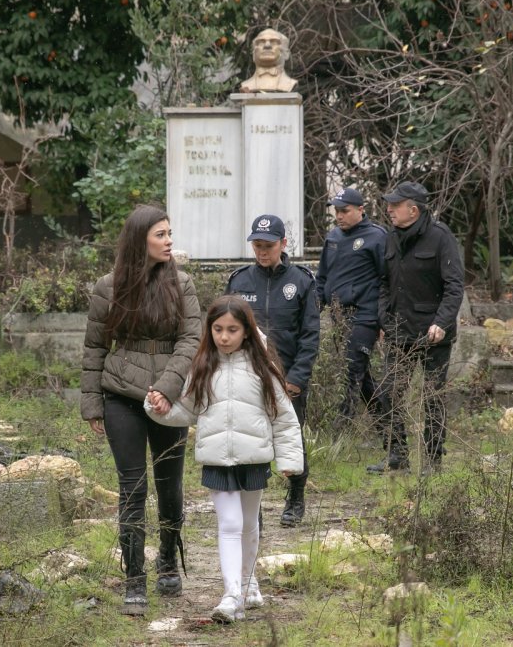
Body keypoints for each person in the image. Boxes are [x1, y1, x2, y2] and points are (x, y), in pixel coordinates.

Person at [145, 295, 304, 624]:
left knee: (249, 525)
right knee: (229, 524)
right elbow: (185, 411)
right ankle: (232, 595)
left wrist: (289, 460)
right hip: (216, 459)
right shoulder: (202, 366)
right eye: (217, 329)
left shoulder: (263, 369)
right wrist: (158, 408)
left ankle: (249, 582)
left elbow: (284, 417)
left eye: (232, 329)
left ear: (246, 331)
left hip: (254, 459)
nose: (224, 336)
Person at [80, 204, 201, 615]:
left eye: (170, 233)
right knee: (132, 488)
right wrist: (92, 404)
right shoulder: (107, 287)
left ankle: (168, 557)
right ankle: (134, 577)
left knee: (170, 484)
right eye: (161, 235)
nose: (169, 242)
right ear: (140, 240)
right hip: (121, 397)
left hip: (169, 399)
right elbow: (95, 347)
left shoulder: (182, 284)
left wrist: (168, 389)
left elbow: (191, 341)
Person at [225, 215, 319, 527]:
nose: (262, 251)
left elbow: (310, 336)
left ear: (283, 244)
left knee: (291, 440)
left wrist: (297, 378)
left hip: (288, 378)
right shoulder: (239, 282)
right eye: (257, 245)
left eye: (268, 245)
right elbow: (227, 331)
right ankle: (255, 509)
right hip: (248, 379)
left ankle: (295, 497)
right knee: (252, 444)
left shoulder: (302, 282)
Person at [369, 181, 464, 474]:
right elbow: (384, 283)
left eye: (395, 205)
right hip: (399, 331)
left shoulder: (440, 237)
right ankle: (397, 454)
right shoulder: (390, 238)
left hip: (433, 334)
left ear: (413, 209)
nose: (389, 210)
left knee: (431, 398)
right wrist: (384, 318)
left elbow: (454, 286)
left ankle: (433, 461)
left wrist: (441, 322)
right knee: (387, 392)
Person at [315, 187, 387, 427]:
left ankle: (341, 428)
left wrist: (383, 319)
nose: (339, 216)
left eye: (345, 211)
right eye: (337, 211)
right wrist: (314, 307)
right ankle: (387, 427)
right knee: (362, 375)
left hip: (365, 315)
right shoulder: (333, 237)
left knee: (351, 368)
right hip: (338, 315)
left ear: (360, 210)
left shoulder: (377, 236)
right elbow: (323, 277)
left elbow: (387, 280)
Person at [239, 28, 298, 93]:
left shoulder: (290, 84)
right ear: (253, 53)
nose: (267, 45)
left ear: (286, 54)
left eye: (274, 42)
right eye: (261, 42)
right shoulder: (246, 85)